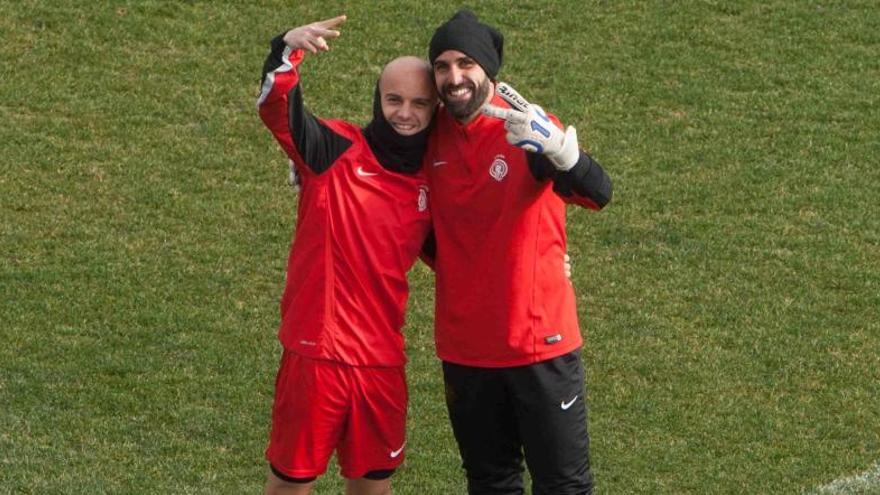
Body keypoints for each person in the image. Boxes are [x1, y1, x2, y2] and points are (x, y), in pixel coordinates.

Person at [423, 10, 613, 495]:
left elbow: (598, 193)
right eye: (442, 66)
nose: (454, 77)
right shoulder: (427, 138)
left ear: (489, 70)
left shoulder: (526, 126)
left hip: (540, 346)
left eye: (465, 64)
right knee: (490, 485)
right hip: (466, 352)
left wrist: (560, 152)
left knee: (564, 487)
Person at [256, 14, 437, 495]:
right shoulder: (332, 150)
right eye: (394, 99)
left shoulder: (433, 184)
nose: (405, 112)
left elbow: (468, 256)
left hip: (381, 363)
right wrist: (286, 49)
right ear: (377, 99)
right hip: (317, 357)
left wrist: (546, 263)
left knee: (373, 486)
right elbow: (279, 110)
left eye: (419, 103)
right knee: (291, 485)